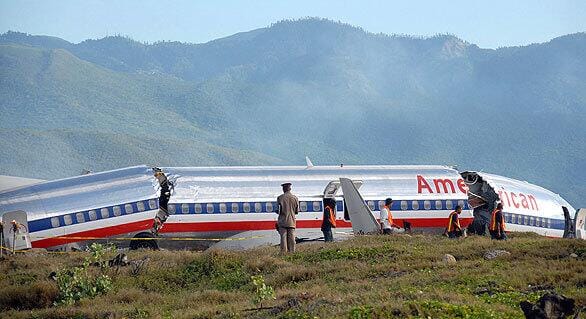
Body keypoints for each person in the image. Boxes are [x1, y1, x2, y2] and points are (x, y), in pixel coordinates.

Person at [276, 182, 299, 254]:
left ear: (284, 189)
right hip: (292, 221)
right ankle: (292, 252)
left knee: (283, 237)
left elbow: (279, 211)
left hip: (282, 221)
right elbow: (297, 211)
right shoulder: (295, 198)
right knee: (292, 237)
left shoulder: (280, 198)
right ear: (290, 188)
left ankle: (283, 252)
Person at [153, 168, 173, 234]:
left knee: (164, 189)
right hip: (163, 202)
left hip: (163, 202)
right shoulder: (162, 217)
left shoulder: (161, 217)